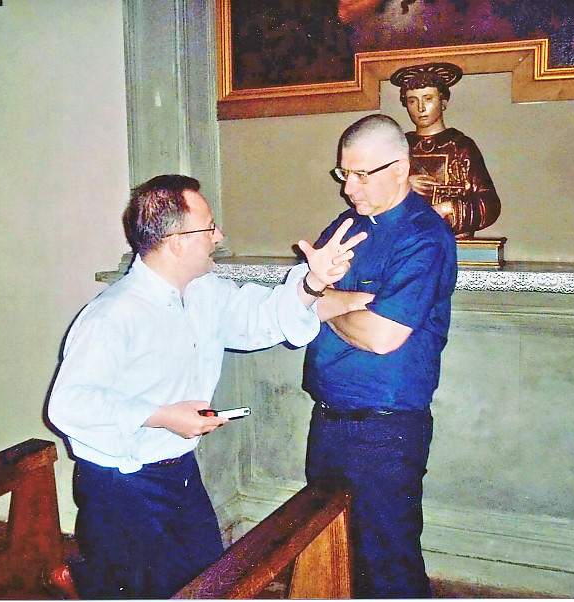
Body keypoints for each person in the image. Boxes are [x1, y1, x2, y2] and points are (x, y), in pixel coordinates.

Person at [46, 174, 366, 599]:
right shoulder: (113, 314)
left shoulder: (203, 293)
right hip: (121, 488)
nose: (219, 235)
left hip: (177, 475)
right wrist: (161, 415)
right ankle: (86, 581)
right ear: (177, 240)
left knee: (208, 586)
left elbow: (261, 318)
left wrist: (312, 283)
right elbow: (68, 406)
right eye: (209, 227)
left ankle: (87, 581)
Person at [302, 114, 457, 598]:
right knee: (332, 555)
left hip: (384, 430)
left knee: (389, 567)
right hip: (329, 419)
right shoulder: (345, 225)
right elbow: (302, 297)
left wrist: (327, 302)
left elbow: (383, 337)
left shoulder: (423, 236)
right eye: (343, 173)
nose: (349, 188)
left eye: (362, 174)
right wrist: (346, 303)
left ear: (402, 168)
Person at [390, 62, 501, 238]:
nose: (420, 108)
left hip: (454, 242)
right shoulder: (398, 148)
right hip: (407, 242)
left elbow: (490, 204)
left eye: (428, 99)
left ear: (443, 102)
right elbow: (377, 196)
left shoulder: (461, 147)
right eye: (413, 101)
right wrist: (405, 186)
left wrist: (447, 208)